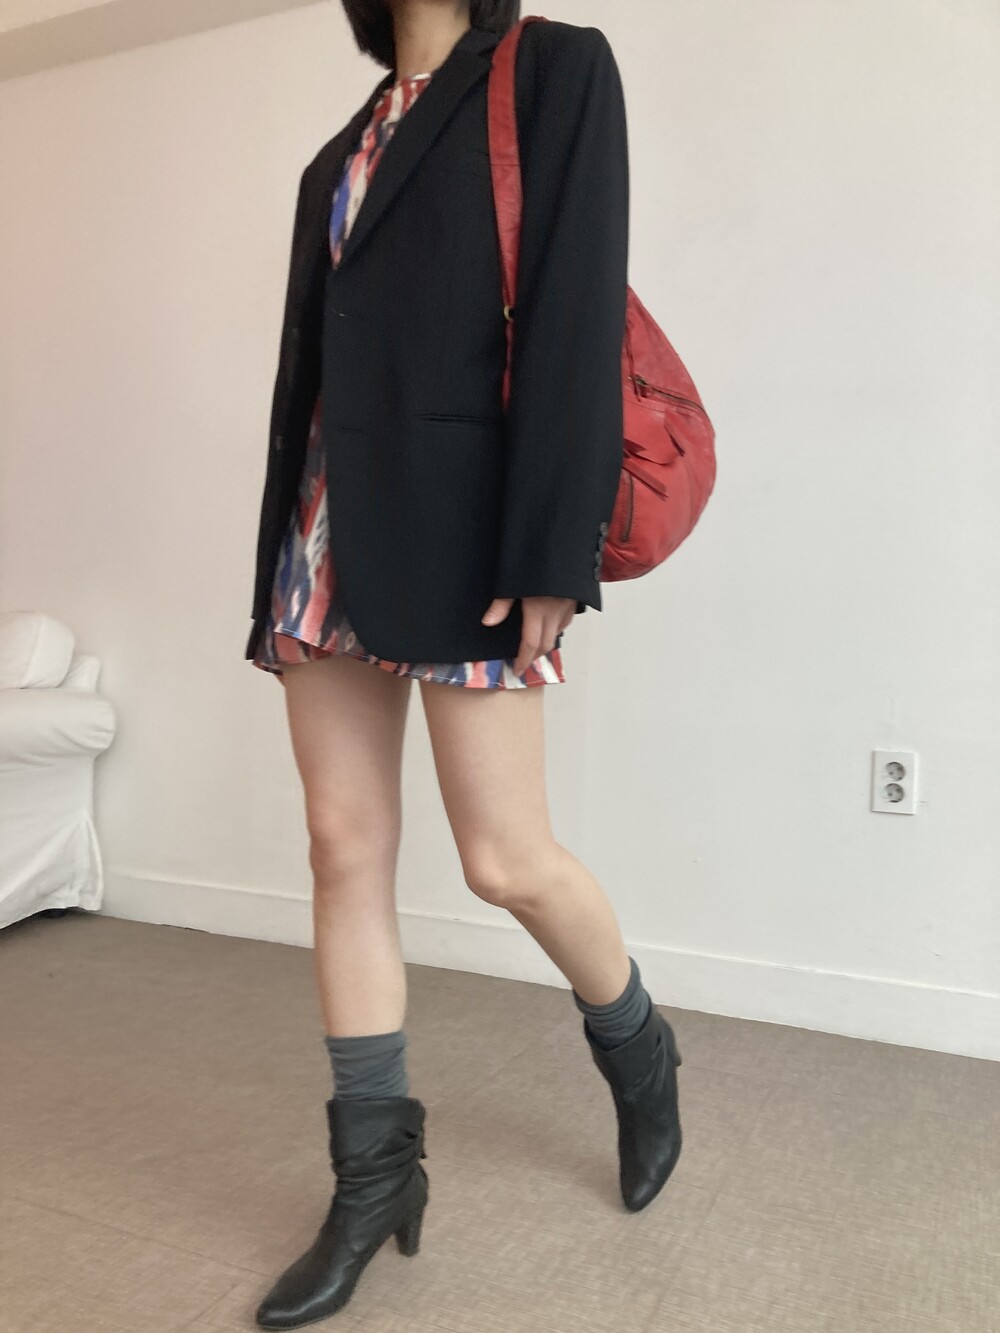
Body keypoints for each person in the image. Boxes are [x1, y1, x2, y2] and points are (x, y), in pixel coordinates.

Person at [244, 2, 683, 1327]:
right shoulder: (341, 150)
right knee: (342, 847)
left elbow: (572, 303)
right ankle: (374, 1177)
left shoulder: (554, 69)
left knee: (503, 857)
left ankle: (638, 1042)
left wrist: (555, 548)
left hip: (470, 533)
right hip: (328, 534)